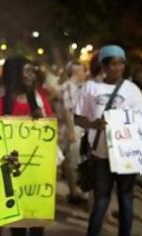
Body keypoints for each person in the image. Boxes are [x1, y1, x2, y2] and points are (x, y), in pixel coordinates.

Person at [74, 45, 142, 236]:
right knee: (101, 200)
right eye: (112, 64)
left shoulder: (132, 90)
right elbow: (78, 118)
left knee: (126, 199)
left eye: (121, 64)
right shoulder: (90, 87)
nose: (117, 68)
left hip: (125, 156)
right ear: (103, 66)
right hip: (101, 155)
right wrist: (93, 124)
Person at [0, 56, 44, 236]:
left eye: (33, 71)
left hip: (37, 175)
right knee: (18, 229)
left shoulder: (40, 102)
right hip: (13, 174)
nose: (32, 75)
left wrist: (42, 120)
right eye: (27, 71)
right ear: (15, 75)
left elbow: (50, 137)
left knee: (37, 227)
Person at [60, 61, 86, 204]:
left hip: (78, 126)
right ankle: (73, 192)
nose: (84, 74)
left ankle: (75, 191)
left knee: (73, 159)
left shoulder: (78, 87)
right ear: (76, 73)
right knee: (72, 161)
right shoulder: (68, 87)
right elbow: (66, 110)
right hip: (73, 127)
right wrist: (71, 130)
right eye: (82, 71)